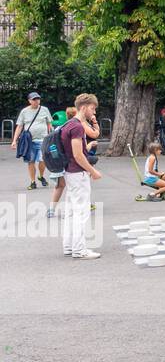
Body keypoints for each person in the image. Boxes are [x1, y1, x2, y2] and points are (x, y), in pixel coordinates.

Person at [61, 93, 102, 259]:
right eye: (92, 109)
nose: (93, 112)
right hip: (78, 173)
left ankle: (69, 246)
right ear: (83, 107)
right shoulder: (77, 126)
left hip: (69, 172)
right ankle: (79, 250)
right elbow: (78, 155)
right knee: (81, 212)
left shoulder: (68, 124)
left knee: (71, 211)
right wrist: (93, 171)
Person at [12, 91, 53, 191]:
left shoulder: (44, 109)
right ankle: (33, 182)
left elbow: (49, 123)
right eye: (34, 99)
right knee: (30, 161)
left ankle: (41, 176)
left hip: (43, 139)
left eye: (38, 99)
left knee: (42, 160)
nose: (36, 101)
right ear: (29, 101)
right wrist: (14, 140)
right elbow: (20, 126)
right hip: (29, 141)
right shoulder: (24, 111)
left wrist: (51, 135)